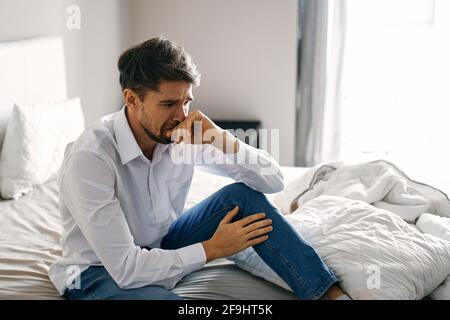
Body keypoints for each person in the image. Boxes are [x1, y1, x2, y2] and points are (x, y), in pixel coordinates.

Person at [49, 37, 348, 300]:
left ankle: (327, 294)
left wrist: (220, 137)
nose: (181, 115)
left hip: (163, 244)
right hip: (97, 270)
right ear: (131, 99)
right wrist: (212, 249)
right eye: (168, 104)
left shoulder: (179, 133)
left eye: (186, 102)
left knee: (241, 197)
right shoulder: (91, 158)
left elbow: (273, 181)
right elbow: (126, 269)